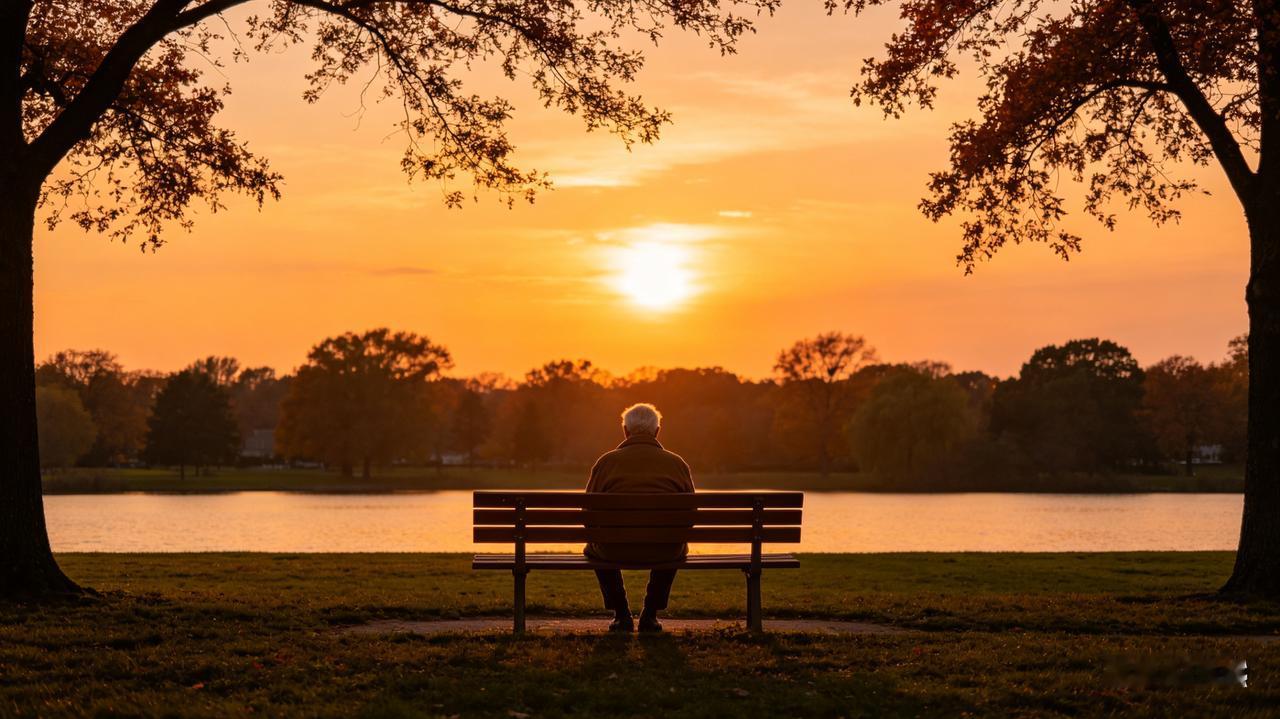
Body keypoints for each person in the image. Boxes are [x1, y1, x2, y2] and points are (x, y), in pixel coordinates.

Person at [585, 402, 694, 632]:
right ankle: (650, 614)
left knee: (592, 546)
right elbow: (689, 516)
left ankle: (621, 614)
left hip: (613, 550)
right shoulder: (677, 464)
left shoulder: (606, 462)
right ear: (657, 431)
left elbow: (588, 513)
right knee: (676, 542)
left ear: (625, 431)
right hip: (665, 550)